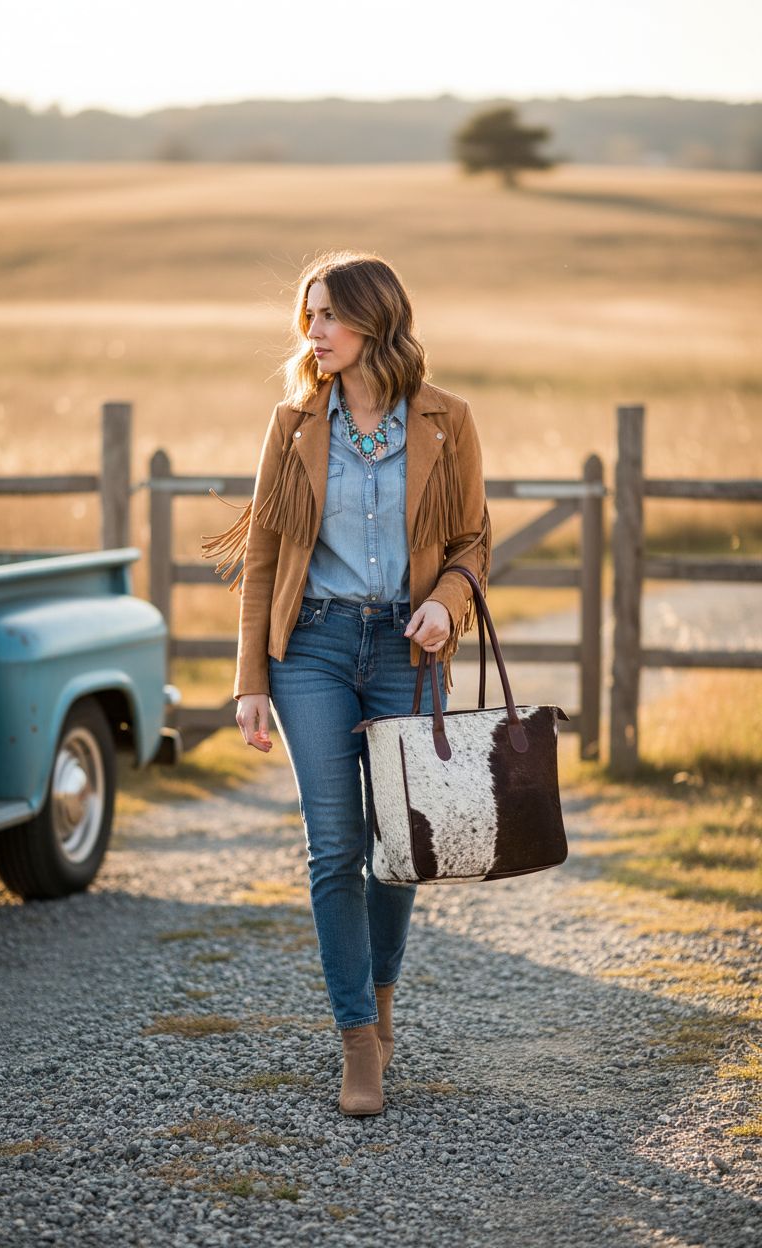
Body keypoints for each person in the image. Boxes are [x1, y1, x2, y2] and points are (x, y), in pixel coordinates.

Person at [201, 250, 491, 1116]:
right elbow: (260, 558)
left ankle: (385, 999)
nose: (312, 332)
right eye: (309, 316)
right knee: (334, 848)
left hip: (406, 648)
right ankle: (357, 1041)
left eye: (327, 314)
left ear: (374, 320)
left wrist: (445, 603)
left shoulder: (450, 419)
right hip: (314, 650)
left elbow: (474, 541)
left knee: (397, 847)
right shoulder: (291, 423)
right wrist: (251, 678)